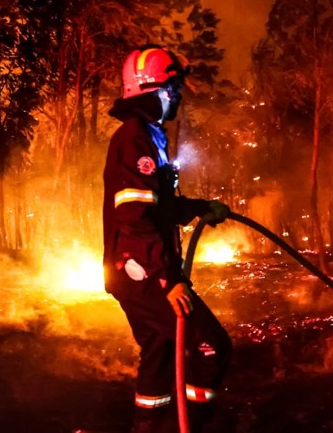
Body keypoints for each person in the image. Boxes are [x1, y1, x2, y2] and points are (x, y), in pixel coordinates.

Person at [103, 45, 232, 433]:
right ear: (150, 89)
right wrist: (167, 278)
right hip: (143, 272)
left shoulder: (148, 136)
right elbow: (133, 216)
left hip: (138, 270)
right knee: (210, 347)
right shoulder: (134, 139)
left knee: (160, 353)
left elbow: (157, 206)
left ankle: (150, 426)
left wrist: (198, 207)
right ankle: (194, 425)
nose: (177, 97)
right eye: (172, 89)